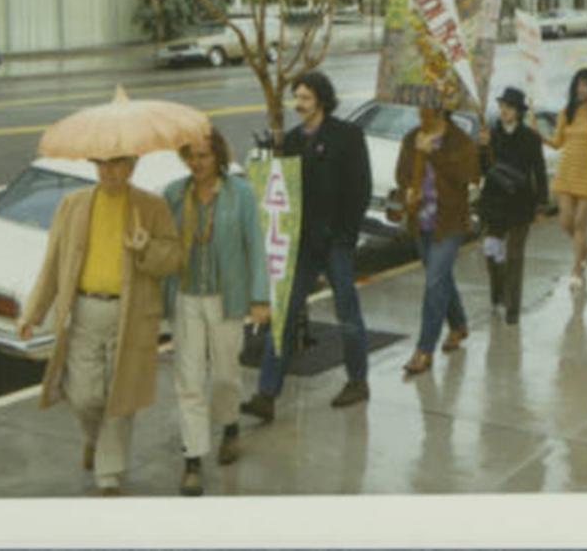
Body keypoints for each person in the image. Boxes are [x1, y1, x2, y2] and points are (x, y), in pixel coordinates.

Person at [17, 155, 181, 496]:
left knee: (120, 397)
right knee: (86, 396)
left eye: (117, 164)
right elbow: (53, 264)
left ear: (132, 166)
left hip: (133, 315)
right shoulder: (72, 204)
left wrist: (145, 246)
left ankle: (109, 475)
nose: (108, 171)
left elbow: (173, 258)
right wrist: (32, 313)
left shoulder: (151, 206)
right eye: (102, 164)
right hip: (86, 311)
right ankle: (93, 438)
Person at [241, 70, 373, 421]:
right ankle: (267, 393)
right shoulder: (294, 140)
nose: (298, 105)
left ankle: (358, 380)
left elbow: (360, 187)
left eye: (304, 98)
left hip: (336, 241)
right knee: (282, 314)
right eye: (296, 98)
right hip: (302, 243)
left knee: (347, 312)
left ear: (321, 100)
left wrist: (346, 233)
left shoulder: (347, 135)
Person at [162, 128, 270, 497]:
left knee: (225, 375)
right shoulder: (175, 195)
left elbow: (255, 246)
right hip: (186, 297)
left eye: (204, 155)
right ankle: (192, 460)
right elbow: (162, 243)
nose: (197, 163)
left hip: (228, 298)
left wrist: (259, 298)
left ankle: (229, 426)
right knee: (188, 379)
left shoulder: (239, 193)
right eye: (190, 155)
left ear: (219, 157)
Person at [394, 103, 480, 374]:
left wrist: (434, 155)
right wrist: (408, 187)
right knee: (440, 277)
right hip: (421, 221)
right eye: (419, 109)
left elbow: (470, 175)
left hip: (450, 222)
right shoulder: (412, 139)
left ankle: (424, 350)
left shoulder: (459, 141)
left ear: (440, 111)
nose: (421, 114)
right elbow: (402, 173)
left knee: (433, 282)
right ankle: (458, 325)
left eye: (426, 109)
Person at [476, 87, 548, 325]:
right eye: (502, 106)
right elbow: (482, 171)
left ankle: (512, 308)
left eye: (509, 107)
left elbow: (539, 171)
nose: (504, 111)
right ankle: (497, 293)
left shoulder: (530, 137)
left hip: (520, 204)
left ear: (518, 112)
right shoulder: (491, 136)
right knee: (491, 253)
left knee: (515, 256)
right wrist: (482, 148)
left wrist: (541, 203)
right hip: (494, 203)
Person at [542, 68, 587, 289]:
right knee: (565, 221)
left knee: (580, 223)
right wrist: (538, 134)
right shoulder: (567, 111)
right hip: (566, 170)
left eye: (585, 84)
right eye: (578, 84)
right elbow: (557, 142)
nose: (581, 88)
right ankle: (583, 249)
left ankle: (576, 269)